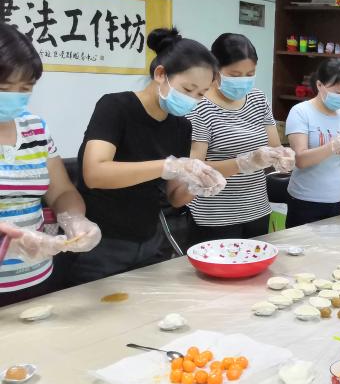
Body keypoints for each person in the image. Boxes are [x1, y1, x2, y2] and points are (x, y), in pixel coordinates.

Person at [70, 28, 226, 283]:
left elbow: (175, 197)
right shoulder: (116, 107)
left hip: (149, 240)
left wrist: (197, 184)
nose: (192, 99)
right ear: (161, 74)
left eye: (200, 94)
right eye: (188, 88)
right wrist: (167, 166)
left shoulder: (181, 126)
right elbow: (95, 173)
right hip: (101, 242)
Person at [0, 23, 101, 307]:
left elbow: (61, 191)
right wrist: (8, 241)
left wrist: (74, 219)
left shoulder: (35, 129)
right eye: (4, 88)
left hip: (36, 278)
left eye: (25, 88)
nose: (15, 96)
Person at [186, 33, 294, 244]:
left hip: (257, 209)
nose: (243, 80)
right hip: (215, 216)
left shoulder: (257, 99)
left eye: (250, 74)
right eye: (235, 75)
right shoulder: (199, 106)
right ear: (215, 69)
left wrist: (283, 156)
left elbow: (275, 146)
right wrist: (244, 162)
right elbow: (194, 168)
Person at [284, 58, 340, 228]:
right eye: (338, 92)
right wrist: (334, 145)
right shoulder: (301, 112)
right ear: (319, 85)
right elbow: (300, 160)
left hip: (339, 198)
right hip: (305, 200)